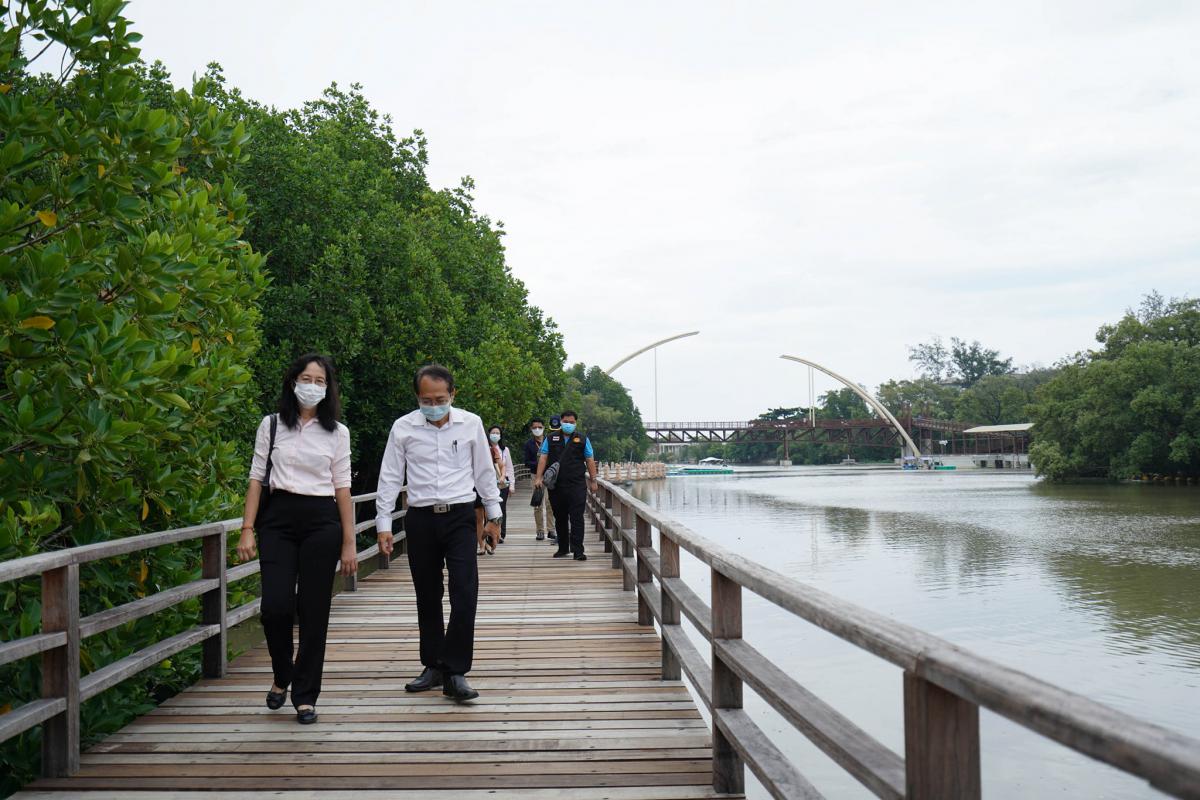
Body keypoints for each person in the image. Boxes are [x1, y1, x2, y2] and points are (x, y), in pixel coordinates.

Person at [237, 354, 356, 726]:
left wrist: (349, 542)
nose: (312, 386)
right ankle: (282, 672)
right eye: (306, 378)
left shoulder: (337, 432)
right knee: (275, 607)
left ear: (328, 388)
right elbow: (256, 478)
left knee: (314, 611)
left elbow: (343, 488)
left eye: (320, 381)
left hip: (322, 521)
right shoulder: (271, 425)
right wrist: (247, 528)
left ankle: (305, 695)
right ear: (292, 382)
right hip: (278, 520)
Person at [375, 364, 501, 703]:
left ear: (452, 395)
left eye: (440, 399)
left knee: (465, 591)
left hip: (460, 516)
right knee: (427, 593)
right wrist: (384, 524)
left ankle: (455, 670)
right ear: (417, 397)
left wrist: (494, 515)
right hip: (421, 518)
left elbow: (484, 472)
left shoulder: (470, 424)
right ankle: (432, 665)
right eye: (426, 400)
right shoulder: (403, 428)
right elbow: (390, 476)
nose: (434, 406)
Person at [534, 410, 599, 561]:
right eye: (566, 422)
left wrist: (594, 480)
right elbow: (543, 457)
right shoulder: (551, 438)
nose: (568, 424)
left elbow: (590, 459)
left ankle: (578, 551)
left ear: (576, 423)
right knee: (560, 517)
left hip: (577, 485)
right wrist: (538, 478)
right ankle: (563, 548)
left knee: (577, 517)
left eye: (571, 422)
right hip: (556, 486)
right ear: (561, 422)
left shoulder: (582, 439)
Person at [523, 418, 555, 541]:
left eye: (540, 427)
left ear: (544, 428)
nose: (537, 429)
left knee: (550, 502)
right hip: (535, 475)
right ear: (531, 429)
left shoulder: (549, 441)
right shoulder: (529, 444)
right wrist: (539, 465)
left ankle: (551, 530)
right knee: (538, 504)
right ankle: (540, 531)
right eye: (535, 427)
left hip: (549, 475)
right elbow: (526, 462)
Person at [489, 425, 515, 543]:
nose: (495, 435)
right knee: (489, 508)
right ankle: (491, 534)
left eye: (497, 433)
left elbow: (509, 468)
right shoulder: (485, 448)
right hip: (489, 482)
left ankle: (500, 534)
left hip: (503, 482)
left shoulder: (505, 450)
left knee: (501, 507)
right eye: (493, 433)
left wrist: (512, 485)